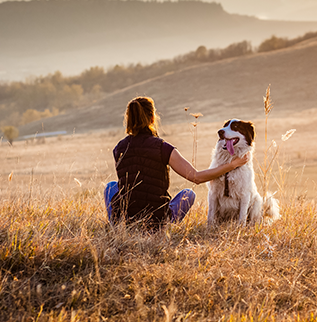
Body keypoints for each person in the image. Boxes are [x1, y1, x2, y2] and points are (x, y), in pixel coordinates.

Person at [104, 96, 248, 229]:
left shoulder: (119, 148)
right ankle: (164, 226)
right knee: (188, 194)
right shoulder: (163, 148)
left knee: (111, 186)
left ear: (128, 119)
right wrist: (232, 165)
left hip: (126, 218)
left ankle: (116, 224)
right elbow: (196, 177)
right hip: (158, 220)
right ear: (152, 118)